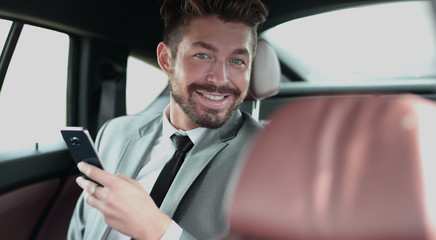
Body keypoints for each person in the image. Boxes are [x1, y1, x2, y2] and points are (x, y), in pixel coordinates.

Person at [67, 0, 268, 239]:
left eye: (237, 61)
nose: (220, 79)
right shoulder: (114, 133)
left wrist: (158, 230)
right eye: (203, 55)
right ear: (166, 59)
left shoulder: (268, 156)